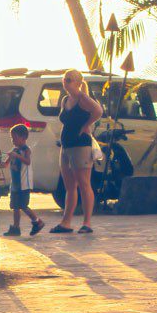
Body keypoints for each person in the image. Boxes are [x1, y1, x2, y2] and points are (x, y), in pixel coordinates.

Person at [50, 69, 103, 235]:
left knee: (84, 183)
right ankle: (66, 222)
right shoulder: (66, 100)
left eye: (70, 80)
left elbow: (98, 111)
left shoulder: (83, 99)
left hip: (81, 145)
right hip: (66, 146)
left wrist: (85, 125)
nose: (66, 83)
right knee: (69, 186)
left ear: (78, 83)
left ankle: (87, 222)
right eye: (65, 79)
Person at [2, 124, 44, 238]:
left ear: (23, 138)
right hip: (15, 184)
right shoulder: (14, 150)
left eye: (15, 138)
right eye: (12, 138)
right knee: (15, 206)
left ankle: (37, 221)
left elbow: (27, 161)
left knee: (23, 205)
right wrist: (3, 160)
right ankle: (16, 227)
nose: (13, 140)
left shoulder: (26, 150)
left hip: (24, 183)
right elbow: (6, 163)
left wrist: (17, 155)